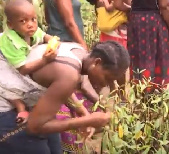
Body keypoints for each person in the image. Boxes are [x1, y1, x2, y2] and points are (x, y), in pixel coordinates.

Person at [0, 40, 130, 153]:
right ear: (97, 62)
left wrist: (84, 113)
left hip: (25, 101)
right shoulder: (69, 74)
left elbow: (60, 87)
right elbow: (34, 126)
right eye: (107, 78)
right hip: (6, 105)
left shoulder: (78, 50)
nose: (105, 85)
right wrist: (88, 121)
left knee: (55, 148)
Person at [0, 0, 59, 125]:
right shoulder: (11, 41)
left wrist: (53, 44)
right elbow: (23, 69)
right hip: (3, 61)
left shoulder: (32, 30)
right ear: (10, 25)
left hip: (17, 59)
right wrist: (45, 60)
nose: (30, 24)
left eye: (33, 19)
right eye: (23, 21)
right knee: (7, 86)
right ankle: (20, 108)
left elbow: (48, 38)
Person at [114, 0, 169, 91]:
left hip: (136, 21)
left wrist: (132, 10)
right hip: (153, 22)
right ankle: (160, 90)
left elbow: (117, 4)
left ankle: (140, 90)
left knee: (139, 58)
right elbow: (164, 5)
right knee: (159, 56)